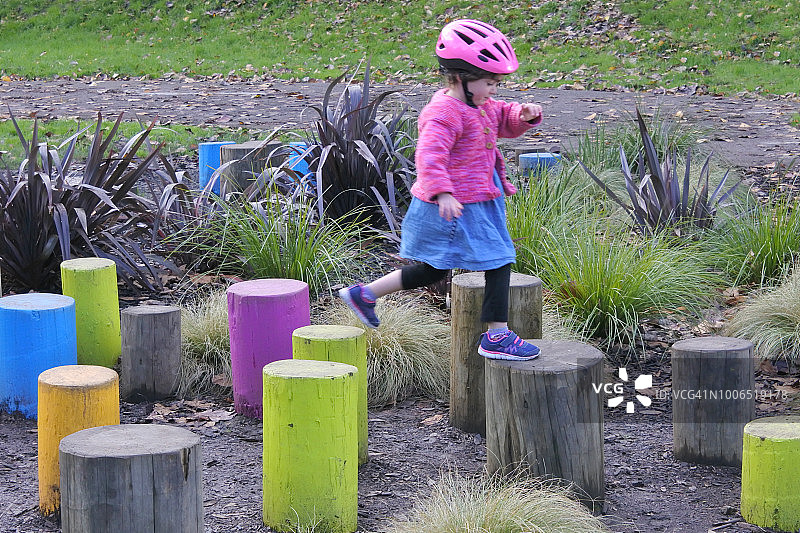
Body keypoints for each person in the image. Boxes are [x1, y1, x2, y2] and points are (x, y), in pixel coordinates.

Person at [339, 19, 543, 361]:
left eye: (497, 83)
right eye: (489, 83)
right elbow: (429, 156)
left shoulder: (481, 104)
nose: (494, 90)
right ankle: (497, 335)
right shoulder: (443, 113)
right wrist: (443, 193)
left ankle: (365, 294)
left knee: (435, 269)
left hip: (476, 200)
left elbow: (503, 120)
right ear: (462, 78)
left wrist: (524, 115)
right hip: (452, 205)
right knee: (499, 258)